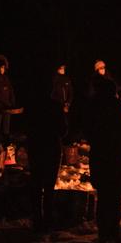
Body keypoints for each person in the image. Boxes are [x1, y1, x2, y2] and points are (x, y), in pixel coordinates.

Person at [84, 75, 121, 243]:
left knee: (104, 196)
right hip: (116, 157)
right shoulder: (118, 109)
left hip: (100, 157)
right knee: (115, 198)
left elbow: (88, 133)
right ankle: (112, 234)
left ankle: (103, 235)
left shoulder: (91, 110)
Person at [27, 80, 67, 232]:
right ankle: (48, 219)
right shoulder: (56, 107)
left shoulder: (32, 107)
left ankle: (37, 219)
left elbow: (27, 127)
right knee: (49, 186)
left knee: (36, 184)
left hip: (36, 148)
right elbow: (63, 130)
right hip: (51, 148)